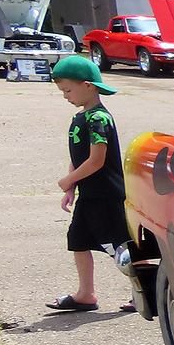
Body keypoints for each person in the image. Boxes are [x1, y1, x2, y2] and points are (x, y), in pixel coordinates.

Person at [47, 55, 132, 314]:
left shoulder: (99, 119)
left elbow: (96, 160)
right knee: (78, 240)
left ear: (88, 86)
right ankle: (86, 294)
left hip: (106, 194)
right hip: (89, 194)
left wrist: (68, 179)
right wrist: (71, 187)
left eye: (68, 90)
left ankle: (147, 290)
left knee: (119, 245)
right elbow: (78, 157)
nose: (65, 96)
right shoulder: (82, 118)